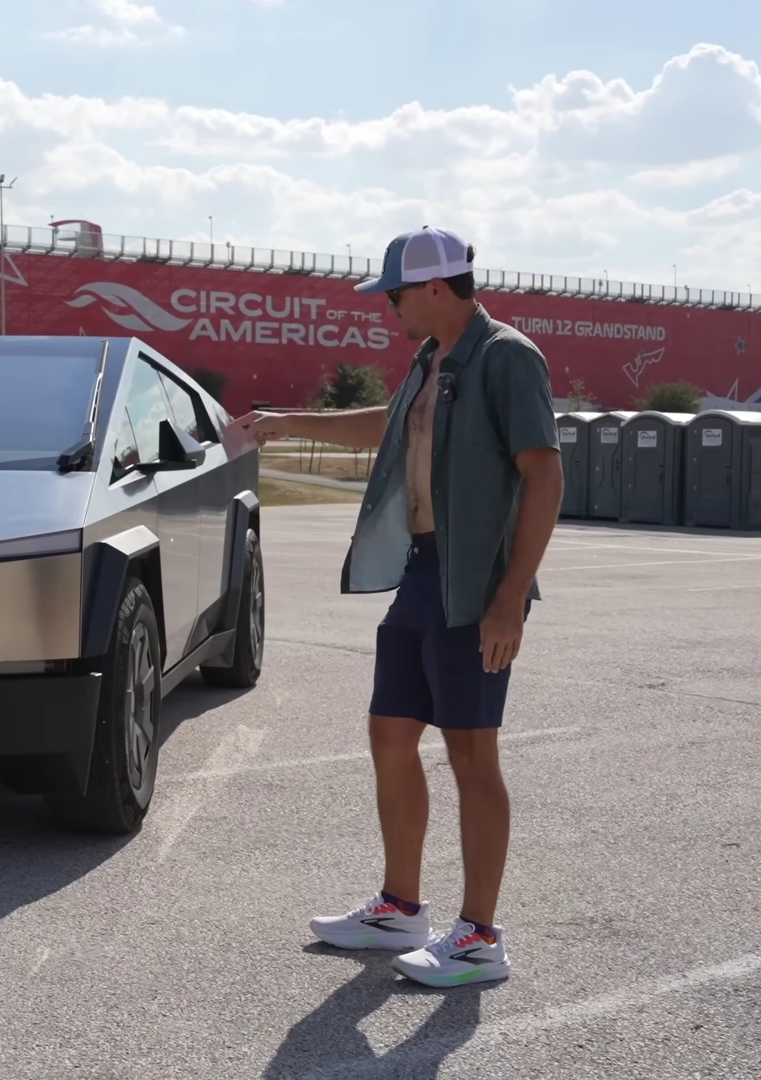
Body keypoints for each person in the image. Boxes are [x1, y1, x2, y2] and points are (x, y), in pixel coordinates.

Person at [232, 226, 562, 988]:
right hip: (423, 572)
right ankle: (401, 908)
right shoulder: (429, 359)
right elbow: (389, 423)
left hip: (475, 582)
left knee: (472, 752)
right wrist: (287, 422)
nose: (387, 307)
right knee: (389, 733)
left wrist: (510, 597)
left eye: (394, 293)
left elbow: (543, 476)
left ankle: (480, 937)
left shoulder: (506, 356)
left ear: (436, 288)